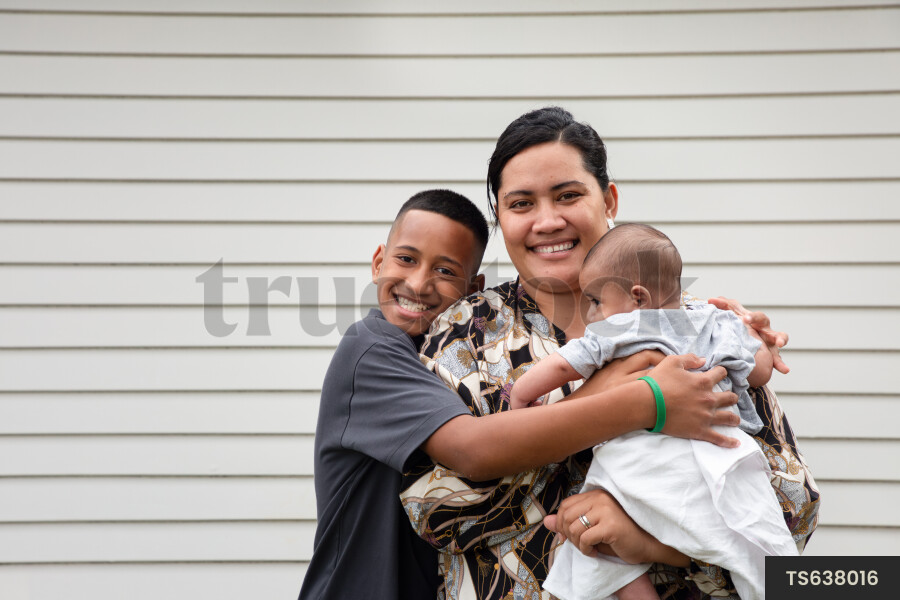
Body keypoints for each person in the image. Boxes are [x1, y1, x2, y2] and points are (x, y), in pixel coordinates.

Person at [400, 107, 820, 600]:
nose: (547, 221)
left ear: (609, 199)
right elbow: (434, 508)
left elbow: (792, 508)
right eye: (520, 204)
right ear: (500, 219)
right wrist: (609, 407)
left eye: (568, 195)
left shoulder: (693, 326)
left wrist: (655, 543)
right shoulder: (464, 334)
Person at [299, 189, 740, 599]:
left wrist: (729, 328)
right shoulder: (372, 352)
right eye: (406, 259)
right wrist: (647, 401)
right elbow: (472, 451)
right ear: (378, 261)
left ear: (468, 291)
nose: (418, 283)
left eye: (445, 270)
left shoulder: (670, 326)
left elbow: (789, 509)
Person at [510, 223, 798, 600]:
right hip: (723, 454)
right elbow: (759, 371)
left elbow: (565, 365)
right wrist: (757, 338)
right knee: (759, 544)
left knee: (596, 546)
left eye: (595, 300)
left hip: (643, 459)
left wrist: (520, 396)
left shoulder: (616, 328)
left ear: (638, 298)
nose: (591, 312)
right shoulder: (717, 319)